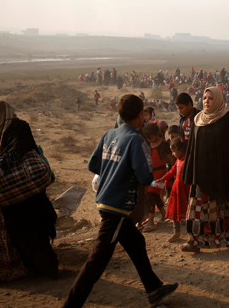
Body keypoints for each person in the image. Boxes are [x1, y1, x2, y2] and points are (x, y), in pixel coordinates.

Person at [62, 94, 178, 308]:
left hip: (105, 201)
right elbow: (144, 177)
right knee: (96, 261)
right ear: (139, 116)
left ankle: (154, 290)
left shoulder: (109, 134)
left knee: (136, 243)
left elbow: (93, 165)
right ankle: (71, 304)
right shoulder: (136, 140)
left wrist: (114, 172)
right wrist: (127, 176)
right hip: (116, 207)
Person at [0, 100, 58, 285]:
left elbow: (17, 152)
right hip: (17, 194)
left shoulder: (19, 127)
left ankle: (45, 271)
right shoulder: (3, 132)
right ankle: (30, 270)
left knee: (32, 233)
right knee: (22, 233)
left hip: (25, 192)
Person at [181, 87, 229, 253]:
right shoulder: (198, 119)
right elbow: (192, 149)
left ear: (219, 100)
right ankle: (195, 241)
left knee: (222, 209)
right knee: (198, 210)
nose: (207, 101)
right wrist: (189, 172)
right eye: (205, 98)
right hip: (201, 174)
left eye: (211, 98)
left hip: (223, 174)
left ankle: (227, 237)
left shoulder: (227, 119)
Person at [140, 123, 173, 232]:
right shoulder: (147, 144)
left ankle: (151, 222)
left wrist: (174, 173)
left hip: (160, 174)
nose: (150, 139)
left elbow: (171, 160)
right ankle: (164, 215)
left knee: (150, 194)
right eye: (147, 137)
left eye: (151, 136)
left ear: (157, 133)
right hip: (149, 173)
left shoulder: (164, 144)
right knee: (152, 195)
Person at [157, 138, 190, 243]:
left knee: (189, 212)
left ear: (180, 150)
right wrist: (163, 178)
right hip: (176, 190)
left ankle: (191, 235)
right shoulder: (178, 161)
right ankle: (176, 232)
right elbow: (172, 171)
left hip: (185, 190)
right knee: (175, 211)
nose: (172, 154)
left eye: (173, 151)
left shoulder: (187, 161)